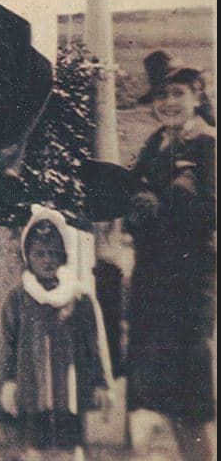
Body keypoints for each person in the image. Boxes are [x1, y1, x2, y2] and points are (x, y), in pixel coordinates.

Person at [124, 51, 216, 461]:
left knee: (190, 396)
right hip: (152, 281)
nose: (169, 103)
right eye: (161, 95)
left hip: (189, 282)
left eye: (177, 93)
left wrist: (156, 202)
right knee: (165, 394)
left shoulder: (208, 145)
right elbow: (130, 201)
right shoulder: (155, 143)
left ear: (197, 95)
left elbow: (205, 209)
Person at [0, 205, 111, 459]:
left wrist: (100, 382)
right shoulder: (18, 298)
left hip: (70, 389)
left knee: (69, 447)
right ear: (28, 257)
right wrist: (8, 381)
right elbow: (7, 343)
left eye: (53, 253)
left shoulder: (78, 297)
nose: (47, 260)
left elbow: (95, 343)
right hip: (32, 388)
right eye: (40, 254)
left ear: (63, 257)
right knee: (35, 448)